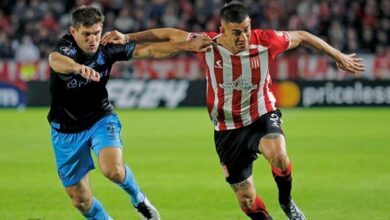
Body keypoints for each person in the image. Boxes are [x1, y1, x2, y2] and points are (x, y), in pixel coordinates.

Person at [102, 2, 365, 220]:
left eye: (246, 30)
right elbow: (169, 34)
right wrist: (127, 37)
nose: (243, 37)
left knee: (279, 154)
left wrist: (337, 55)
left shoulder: (266, 41)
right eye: (236, 32)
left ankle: (287, 204)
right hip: (227, 130)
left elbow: (303, 36)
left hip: (261, 114)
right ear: (222, 30)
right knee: (247, 200)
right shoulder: (207, 44)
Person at [47, 5, 212, 220]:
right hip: (65, 131)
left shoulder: (107, 48)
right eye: (86, 34)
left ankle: (139, 199)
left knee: (113, 170)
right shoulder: (66, 47)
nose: (92, 39)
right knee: (81, 200)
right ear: (73, 31)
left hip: (100, 119)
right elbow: (54, 60)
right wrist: (79, 68)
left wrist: (188, 46)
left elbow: (149, 50)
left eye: (96, 33)